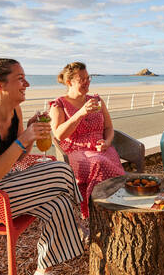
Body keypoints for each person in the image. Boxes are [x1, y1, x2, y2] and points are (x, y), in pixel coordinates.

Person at [0, 59, 83, 275]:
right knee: (61, 170)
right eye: (20, 79)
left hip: (3, 187)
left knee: (58, 203)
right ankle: (83, 218)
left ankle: (44, 269)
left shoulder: (14, 110)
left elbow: (19, 157)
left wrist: (29, 133)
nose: (27, 84)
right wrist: (23, 139)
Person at [50, 62, 125, 219]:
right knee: (99, 163)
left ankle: (116, 208)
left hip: (102, 148)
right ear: (69, 82)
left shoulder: (97, 100)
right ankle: (97, 213)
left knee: (103, 160)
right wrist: (81, 113)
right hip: (76, 152)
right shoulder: (59, 105)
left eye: (88, 78)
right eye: (82, 79)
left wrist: (108, 142)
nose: (87, 82)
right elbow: (59, 135)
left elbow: (109, 128)